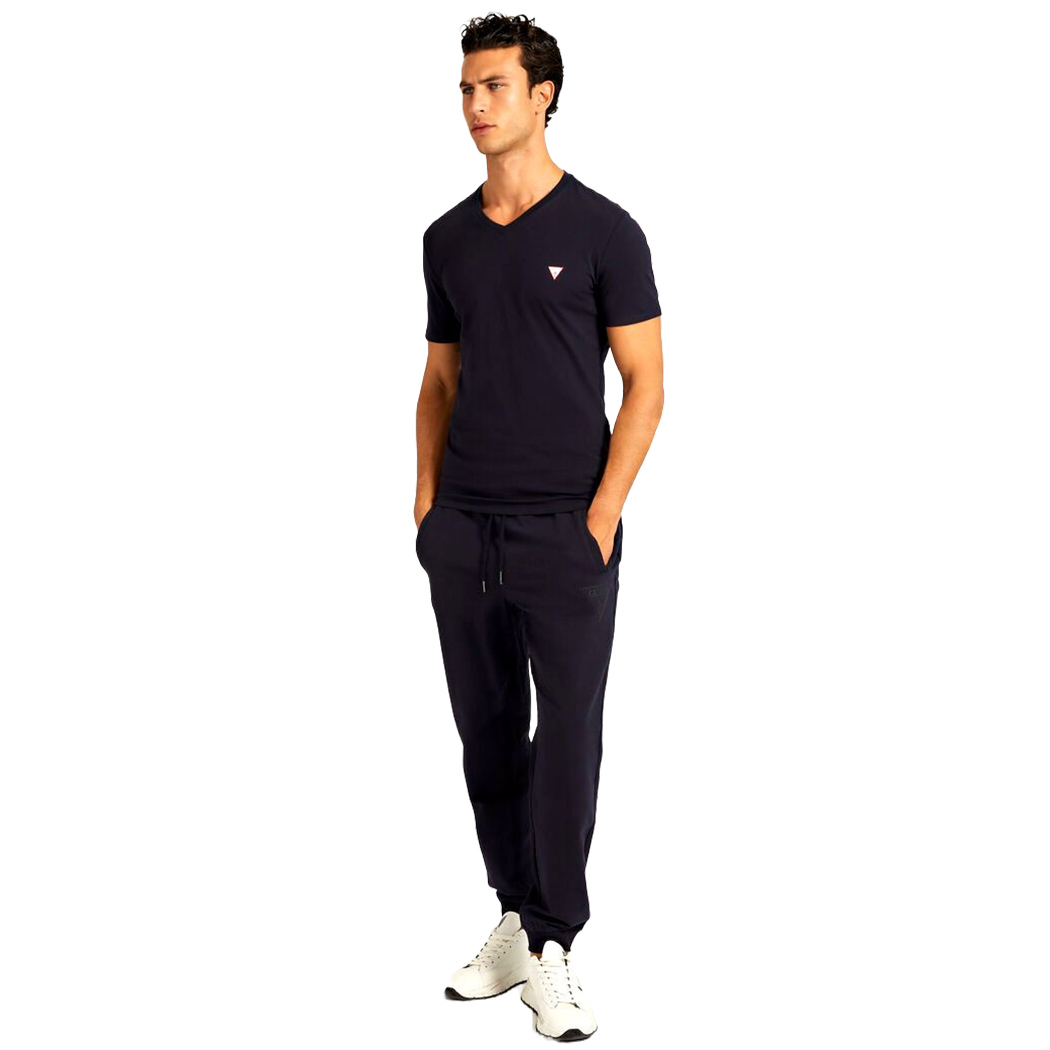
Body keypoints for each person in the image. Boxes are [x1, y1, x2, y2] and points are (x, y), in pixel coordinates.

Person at [414, 13, 663, 1041]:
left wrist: (601, 516)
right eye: (466, 89)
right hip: (465, 531)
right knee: (486, 737)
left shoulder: (605, 231)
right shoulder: (446, 239)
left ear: (542, 95)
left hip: (565, 532)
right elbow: (438, 381)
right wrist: (427, 503)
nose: (476, 105)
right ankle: (514, 915)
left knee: (566, 738)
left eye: (495, 87)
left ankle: (556, 943)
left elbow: (646, 384)